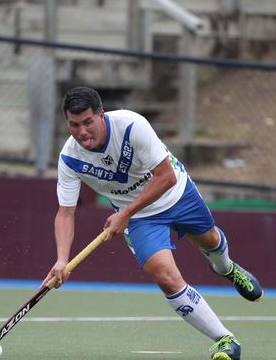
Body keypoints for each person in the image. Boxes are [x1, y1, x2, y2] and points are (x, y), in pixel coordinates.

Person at [42, 86, 264, 360]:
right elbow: (65, 213)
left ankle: (227, 268)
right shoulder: (70, 158)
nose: (82, 132)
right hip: (140, 219)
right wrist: (61, 260)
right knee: (165, 277)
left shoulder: (132, 125)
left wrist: (123, 214)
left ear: (101, 115)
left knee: (210, 241)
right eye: (74, 125)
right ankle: (225, 340)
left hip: (176, 192)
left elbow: (166, 177)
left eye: (88, 122)